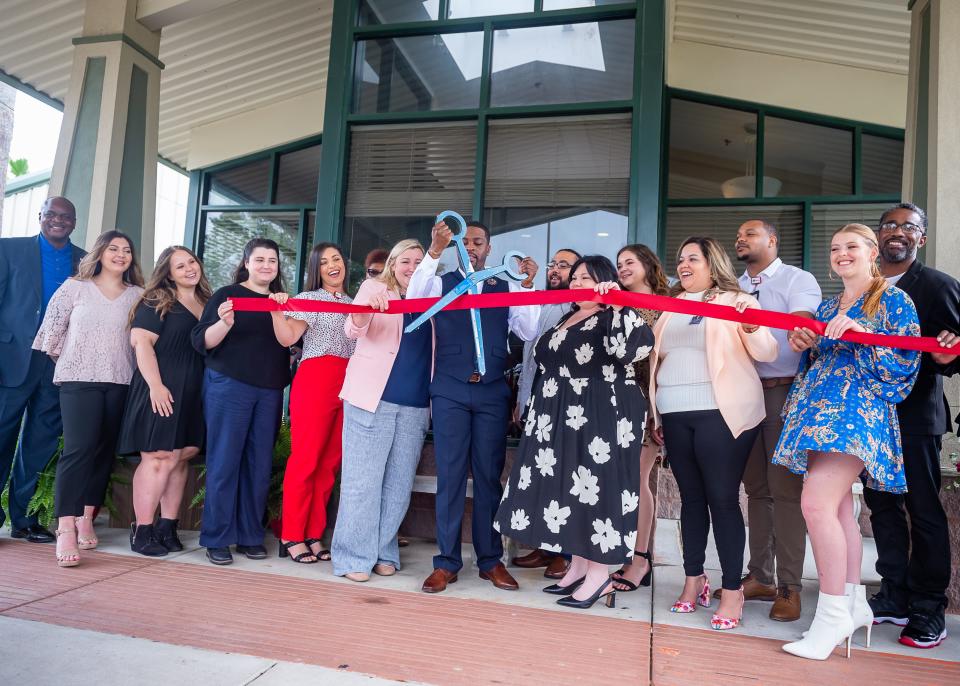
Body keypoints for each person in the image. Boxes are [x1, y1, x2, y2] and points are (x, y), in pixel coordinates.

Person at [774, 223, 920, 660]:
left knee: (815, 504)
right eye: (835, 248)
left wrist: (858, 334)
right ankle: (853, 605)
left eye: (851, 246)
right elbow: (817, 355)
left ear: (873, 251)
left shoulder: (895, 300)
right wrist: (806, 341)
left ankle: (832, 614)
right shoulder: (826, 305)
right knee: (837, 511)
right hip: (818, 413)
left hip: (858, 417)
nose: (841, 254)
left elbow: (905, 365)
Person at [495, 255, 655, 610]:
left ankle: (601, 573)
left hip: (602, 413)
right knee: (570, 489)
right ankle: (580, 565)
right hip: (562, 413)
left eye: (587, 278)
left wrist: (614, 304)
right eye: (575, 278)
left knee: (598, 489)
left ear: (604, 281)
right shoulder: (568, 314)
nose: (578, 284)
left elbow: (627, 351)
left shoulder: (620, 313)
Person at [648, 236, 777, 630]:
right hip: (674, 413)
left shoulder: (737, 300)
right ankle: (693, 581)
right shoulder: (669, 306)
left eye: (692, 258)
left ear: (711, 263)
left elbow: (768, 350)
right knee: (690, 501)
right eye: (680, 259)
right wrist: (656, 414)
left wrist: (752, 325)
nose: (683, 264)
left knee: (722, 500)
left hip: (720, 412)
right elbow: (657, 360)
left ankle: (733, 590)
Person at [409, 219, 539, 594]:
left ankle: (489, 560)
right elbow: (415, 296)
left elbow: (528, 331)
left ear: (489, 248)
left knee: (487, 477)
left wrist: (527, 286)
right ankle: (446, 563)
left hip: (492, 393)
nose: (472, 246)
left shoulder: (505, 283)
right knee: (449, 477)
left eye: (478, 241)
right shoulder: (440, 281)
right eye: (465, 241)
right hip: (449, 390)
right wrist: (433, 250)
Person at [864, 203, 960, 649]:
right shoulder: (865, 286)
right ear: (878, 236)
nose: (898, 232)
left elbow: (955, 350)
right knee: (882, 508)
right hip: (868, 418)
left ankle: (928, 607)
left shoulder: (939, 286)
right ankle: (894, 594)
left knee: (922, 511)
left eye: (909, 226)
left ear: (921, 237)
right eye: (889, 225)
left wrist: (948, 356)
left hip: (918, 417)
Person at [718, 220, 821, 622]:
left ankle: (790, 587)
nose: (740, 239)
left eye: (750, 234)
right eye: (738, 235)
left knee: (785, 490)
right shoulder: (732, 287)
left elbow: (800, 321)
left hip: (783, 391)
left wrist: (797, 330)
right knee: (756, 489)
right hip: (743, 393)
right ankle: (760, 575)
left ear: (772, 240)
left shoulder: (798, 279)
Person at [33, 231, 144, 566]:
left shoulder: (139, 295)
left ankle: (86, 517)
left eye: (127, 250)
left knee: (103, 452)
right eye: (113, 249)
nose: (120, 255)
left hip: (121, 380)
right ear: (100, 253)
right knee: (78, 449)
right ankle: (66, 524)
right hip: (78, 380)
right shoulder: (74, 287)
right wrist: (76, 361)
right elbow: (51, 334)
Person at [331, 239, 433, 581]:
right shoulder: (375, 288)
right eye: (406, 261)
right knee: (363, 482)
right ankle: (353, 558)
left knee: (398, 484)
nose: (412, 268)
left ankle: (382, 551)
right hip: (371, 399)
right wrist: (366, 308)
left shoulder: (431, 297)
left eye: (419, 262)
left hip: (416, 405)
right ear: (393, 263)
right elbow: (352, 329)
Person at [191, 238, 291, 566]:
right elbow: (201, 340)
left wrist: (281, 310)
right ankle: (217, 537)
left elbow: (294, 342)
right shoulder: (227, 295)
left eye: (272, 261)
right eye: (259, 259)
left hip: (269, 391)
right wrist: (224, 322)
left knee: (259, 464)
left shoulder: (283, 302)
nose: (266, 265)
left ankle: (250, 535)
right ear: (247, 262)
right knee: (224, 462)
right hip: (229, 386)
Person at [0, 197, 84, 544]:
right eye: (51, 214)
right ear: (40, 216)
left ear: (74, 222)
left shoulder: (86, 261)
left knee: (40, 442)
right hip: (11, 359)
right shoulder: (8, 250)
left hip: (56, 362)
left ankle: (26, 518)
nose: (57, 220)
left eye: (65, 216)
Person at [117, 246, 211, 556]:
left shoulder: (208, 303)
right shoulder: (156, 301)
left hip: (195, 393)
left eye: (192, 262)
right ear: (168, 273)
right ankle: (142, 529)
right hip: (162, 389)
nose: (189, 269)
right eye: (180, 266)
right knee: (158, 457)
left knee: (181, 455)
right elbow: (141, 343)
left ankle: (167, 526)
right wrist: (155, 386)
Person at [268, 243, 355, 564]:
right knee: (306, 460)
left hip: (348, 383)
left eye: (337, 258)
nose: (332, 265)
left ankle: (314, 533)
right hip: (316, 378)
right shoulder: (310, 299)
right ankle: (292, 533)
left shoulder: (354, 302)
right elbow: (288, 338)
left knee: (330, 463)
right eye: (324, 262)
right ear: (316, 270)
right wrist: (277, 311)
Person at [510, 247, 580, 580]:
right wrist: (522, 401)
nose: (555, 270)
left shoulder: (581, 309)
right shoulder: (540, 303)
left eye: (563, 266)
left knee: (564, 480)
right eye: (553, 264)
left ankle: (565, 553)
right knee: (540, 479)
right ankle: (545, 546)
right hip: (535, 401)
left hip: (565, 407)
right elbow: (529, 358)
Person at [611, 243, 670, 593]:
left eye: (629, 262)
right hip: (613, 401)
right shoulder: (616, 302)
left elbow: (662, 361)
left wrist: (656, 411)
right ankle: (620, 551)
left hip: (647, 402)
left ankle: (641, 559)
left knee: (637, 479)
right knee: (618, 483)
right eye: (619, 264)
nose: (622, 268)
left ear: (647, 264)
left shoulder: (666, 305)